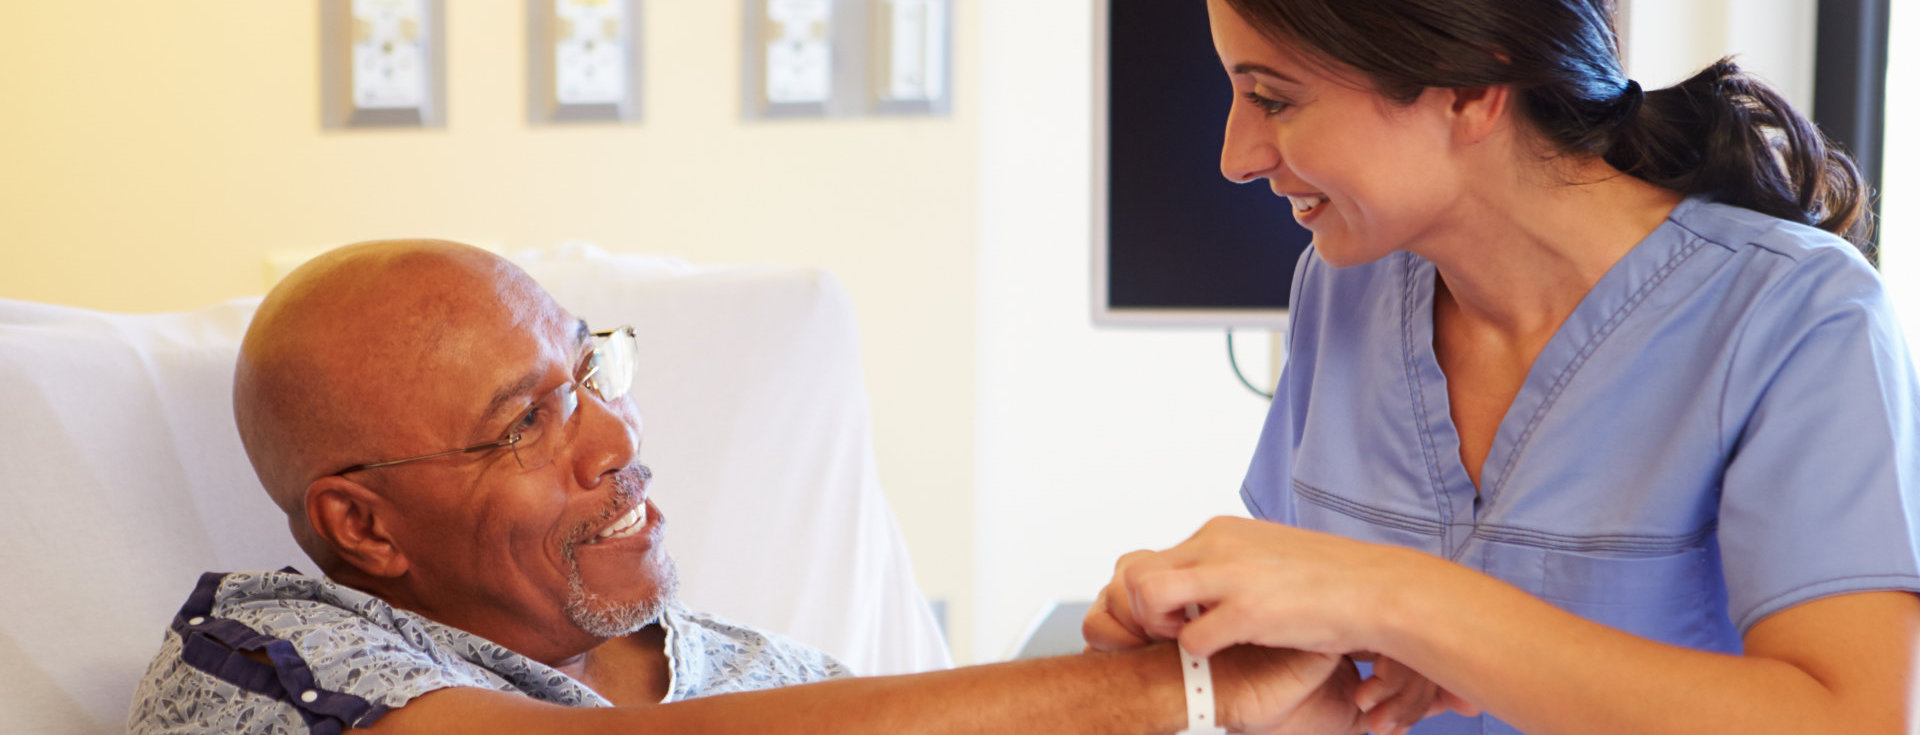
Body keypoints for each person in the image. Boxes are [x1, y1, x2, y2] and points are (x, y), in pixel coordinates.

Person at [128, 239, 1366, 734]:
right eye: (526, 421)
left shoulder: (781, 681)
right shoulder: (256, 659)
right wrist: (1164, 693)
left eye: (588, 368)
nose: (614, 436)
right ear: (362, 525)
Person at [1084, 1, 1920, 734]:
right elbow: (1333, 681)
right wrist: (1226, 684)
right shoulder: (1341, 289)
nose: (1235, 155)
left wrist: (1400, 598)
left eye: (1275, 97)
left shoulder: (1798, 315)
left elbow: (1850, 718)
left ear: (1470, 89)